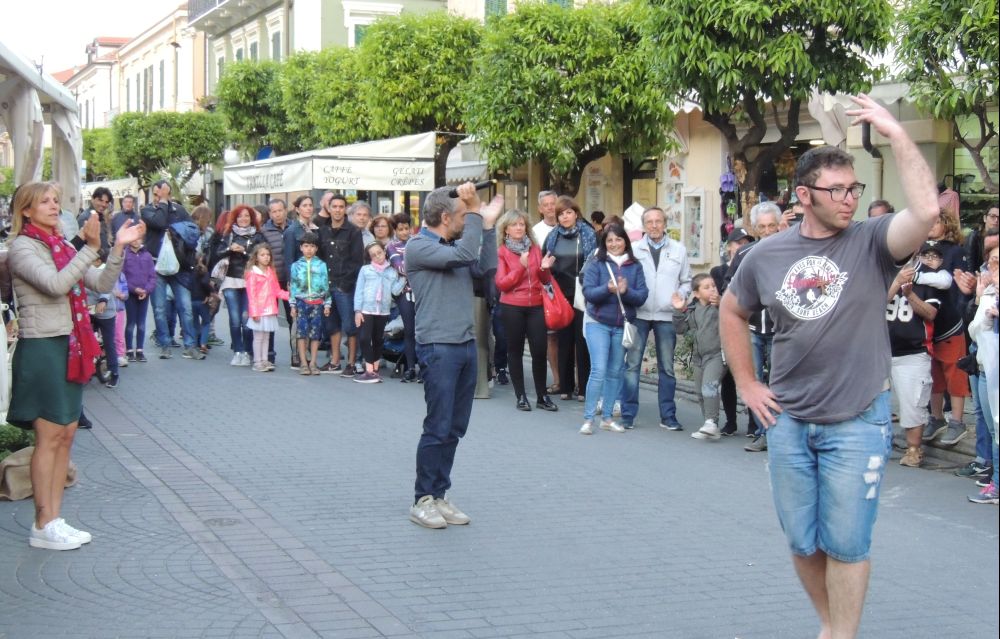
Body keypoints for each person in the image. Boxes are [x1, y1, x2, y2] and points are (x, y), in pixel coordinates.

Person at [721, 94, 939, 639]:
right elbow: (731, 308)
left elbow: (928, 212)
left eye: (854, 189)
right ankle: (830, 623)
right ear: (804, 194)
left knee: (846, 543)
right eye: (837, 190)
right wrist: (747, 382)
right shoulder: (764, 256)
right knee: (803, 540)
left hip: (857, 420)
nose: (848, 199)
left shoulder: (870, 243)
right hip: (788, 421)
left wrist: (896, 132)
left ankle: (841, 633)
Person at [7, 181, 145, 550]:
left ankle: (53, 518)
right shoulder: (21, 247)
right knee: (49, 437)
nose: (54, 206)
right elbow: (55, 285)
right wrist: (89, 248)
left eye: (56, 200)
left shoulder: (61, 245)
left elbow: (99, 281)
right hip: (43, 347)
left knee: (65, 434)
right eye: (45, 202)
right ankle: (43, 521)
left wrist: (115, 248)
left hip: (68, 345)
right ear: (26, 210)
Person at [406, 183, 502, 529]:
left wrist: (487, 227)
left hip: (464, 344)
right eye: (463, 216)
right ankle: (423, 499)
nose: (468, 220)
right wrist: (477, 209)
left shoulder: (455, 247)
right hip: (438, 346)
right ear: (446, 217)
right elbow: (465, 256)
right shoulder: (418, 247)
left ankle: (440, 493)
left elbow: (486, 268)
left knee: (455, 427)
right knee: (438, 425)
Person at [619, 206, 691, 430]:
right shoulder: (633, 249)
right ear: (643, 226)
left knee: (667, 368)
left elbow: (687, 280)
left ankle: (668, 415)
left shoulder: (678, 250)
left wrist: (682, 294)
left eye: (658, 221)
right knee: (632, 365)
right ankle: (628, 414)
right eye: (649, 222)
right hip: (639, 313)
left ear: (665, 223)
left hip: (666, 314)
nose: (654, 225)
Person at [578, 224, 648, 435]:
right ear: (604, 243)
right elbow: (588, 293)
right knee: (598, 369)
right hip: (597, 322)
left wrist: (625, 292)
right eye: (610, 240)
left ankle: (607, 417)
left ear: (625, 241)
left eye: (618, 239)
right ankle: (589, 418)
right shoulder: (596, 263)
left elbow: (641, 296)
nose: (614, 244)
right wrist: (606, 289)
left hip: (622, 325)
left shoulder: (634, 266)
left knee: (615, 372)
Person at [725, 201, 783, 450]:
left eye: (772, 225)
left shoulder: (791, 250)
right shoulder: (744, 254)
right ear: (755, 229)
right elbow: (730, 288)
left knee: (781, 383)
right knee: (756, 381)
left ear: (780, 225)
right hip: (752, 329)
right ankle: (763, 432)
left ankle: (782, 434)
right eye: (763, 226)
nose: (768, 231)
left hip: (781, 330)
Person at [495, 209, 558, 412]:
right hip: (512, 306)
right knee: (515, 351)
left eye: (522, 224)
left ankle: (542, 396)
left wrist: (546, 268)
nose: (519, 228)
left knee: (539, 350)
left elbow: (545, 280)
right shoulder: (502, 252)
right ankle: (521, 396)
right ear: (506, 230)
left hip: (536, 305)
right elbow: (502, 284)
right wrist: (521, 267)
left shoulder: (535, 249)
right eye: (514, 225)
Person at [886, 244, 941, 467]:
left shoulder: (930, 276)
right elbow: (871, 305)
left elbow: (931, 313)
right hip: (878, 350)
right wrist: (897, 283)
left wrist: (910, 295)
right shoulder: (883, 271)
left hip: (914, 351)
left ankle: (913, 450)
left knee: (913, 403)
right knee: (869, 402)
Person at [921, 211, 971, 445]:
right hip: (927, 323)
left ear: (947, 224)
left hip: (950, 322)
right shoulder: (920, 248)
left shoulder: (955, 251)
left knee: (955, 374)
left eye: (937, 221)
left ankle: (957, 422)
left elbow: (954, 284)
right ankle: (936, 417)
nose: (931, 226)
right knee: (934, 376)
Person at [544, 196, 596, 402]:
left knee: (582, 340)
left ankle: (583, 388)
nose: (565, 217)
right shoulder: (552, 236)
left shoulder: (588, 234)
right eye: (561, 214)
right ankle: (565, 386)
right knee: (563, 339)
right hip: (560, 293)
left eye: (568, 212)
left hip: (583, 292)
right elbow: (545, 262)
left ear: (576, 213)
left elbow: (594, 259)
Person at [141, 180, 200, 360]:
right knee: (159, 308)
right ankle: (165, 344)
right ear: (154, 194)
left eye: (166, 193)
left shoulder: (179, 210)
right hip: (156, 265)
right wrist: (164, 204)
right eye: (160, 193)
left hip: (179, 267)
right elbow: (159, 222)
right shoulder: (147, 210)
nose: (162, 196)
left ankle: (190, 346)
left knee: (186, 307)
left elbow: (192, 230)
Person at [673, 274, 726, 440]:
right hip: (698, 357)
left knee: (709, 386)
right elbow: (680, 329)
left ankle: (711, 422)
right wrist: (679, 310)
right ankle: (709, 426)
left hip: (718, 354)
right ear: (696, 294)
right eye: (706, 287)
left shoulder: (719, 306)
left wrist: (722, 302)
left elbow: (733, 312)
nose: (712, 289)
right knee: (700, 392)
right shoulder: (693, 310)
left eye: (713, 285)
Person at [316, 193, 364, 375]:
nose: (337, 210)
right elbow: (319, 259)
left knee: (350, 326)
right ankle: (334, 361)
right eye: (334, 206)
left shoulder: (353, 231)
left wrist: (345, 284)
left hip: (345, 286)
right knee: (331, 325)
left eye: (340, 207)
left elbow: (357, 262)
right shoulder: (322, 231)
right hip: (326, 286)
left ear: (345, 210)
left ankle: (351, 363)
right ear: (328, 208)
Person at [711, 227, 753, 435]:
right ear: (729, 247)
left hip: (751, 326)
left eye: (747, 243)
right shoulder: (718, 272)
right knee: (728, 375)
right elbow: (714, 297)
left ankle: (755, 425)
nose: (742, 247)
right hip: (728, 327)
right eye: (738, 243)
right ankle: (730, 421)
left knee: (751, 375)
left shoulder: (755, 266)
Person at [966, 244, 999, 504]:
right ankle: (995, 482)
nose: (994, 268)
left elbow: (979, 328)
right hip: (985, 367)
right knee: (993, 427)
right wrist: (979, 299)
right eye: (992, 262)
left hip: (993, 370)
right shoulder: (988, 292)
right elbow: (974, 329)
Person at [215, 204, 265, 367]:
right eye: (240, 216)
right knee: (235, 319)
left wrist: (243, 251)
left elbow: (262, 257)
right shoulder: (228, 234)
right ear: (235, 218)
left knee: (246, 320)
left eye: (247, 216)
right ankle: (238, 351)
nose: (243, 219)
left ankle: (248, 351)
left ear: (252, 219)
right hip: (231, 281)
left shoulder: (258, 236)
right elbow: (217, 254)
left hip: (250, 281)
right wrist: (230, 249)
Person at [353, 242, 404, 383]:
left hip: (383, 310)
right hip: (366, 309)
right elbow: (359, 291)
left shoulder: (392, 271)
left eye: (379, 253)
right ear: (369, 257)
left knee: (378, 340)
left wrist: (404, 278)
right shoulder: (365, 270)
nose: (377, 256)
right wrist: (357, 310)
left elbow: (395, 291)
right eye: (373, 255)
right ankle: (369, 371)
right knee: (364, 338)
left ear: (384, 252)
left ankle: (374, 370)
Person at [289, 232, 331, 375]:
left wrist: (327, 304)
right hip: (301, 302)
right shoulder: (295, 266)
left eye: (312, 246)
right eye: (306, 246)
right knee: (301, 333)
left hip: (317, 303)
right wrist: (292, 305)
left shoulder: (321, 265)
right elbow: (293, 287)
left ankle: (313, 362)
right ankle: (303, 362)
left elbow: (326, 285)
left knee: (315, 334)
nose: (309, 249)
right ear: (301, 247)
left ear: (316, 249)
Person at [532, 190, 561, 394]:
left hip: (569, 287)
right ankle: (558, 379)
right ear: (540, 209)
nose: (551, 207)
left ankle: (575, 379)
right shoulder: (536, 232)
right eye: (547, 204)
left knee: (572, 337)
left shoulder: (569, 224)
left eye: (554, 203)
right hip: (547, 288)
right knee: (551, 336)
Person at [283, 194, 316, 369]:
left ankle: (308, 352)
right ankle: (296, 353)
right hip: (299, 280)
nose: (308, 208)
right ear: (297, 209)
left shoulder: (315, 229)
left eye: (310, 205)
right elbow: (288, 259)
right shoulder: (291, 231)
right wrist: (291, 281)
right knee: (297, 319)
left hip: (315, 280)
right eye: (304, 205)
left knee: (312, 317)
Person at [245, 244, 289, 372]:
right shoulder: (253, 273)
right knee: (258, 337)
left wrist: (290, 296)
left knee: (266, 336)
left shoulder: (271, 272)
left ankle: (264, 359)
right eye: (262, 255)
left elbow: (277, 290)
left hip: (270, 310)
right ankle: (257, 361)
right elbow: (251, 295)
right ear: (256, 257)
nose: (266, 257)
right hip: (259, 311)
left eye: (268, 255)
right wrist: (254, 312)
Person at [386, 213, 418, 382]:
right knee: (410, 330)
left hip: (422, 291)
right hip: (405, 292)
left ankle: (423, 366)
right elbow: (401, 267)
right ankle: (411, 366)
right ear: (395, 230)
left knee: (423, 331)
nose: (405, 232)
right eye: (401, 229)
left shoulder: (417, 242)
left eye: (407, 228)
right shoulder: (391, 246)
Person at [261, 198, 291, 365]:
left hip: (291, 280)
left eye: (280, 210)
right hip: (272, 280)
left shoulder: (294, 227)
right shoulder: (265, 231)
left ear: (285, 210)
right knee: (270, 317)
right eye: (274, 211)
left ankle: (298, 355)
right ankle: (269, 356)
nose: (277, 214)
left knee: (293, 317)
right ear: (270, 213)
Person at [85, 257, 121, 388]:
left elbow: (107, 288)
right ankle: (88, 369)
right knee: (86, 340)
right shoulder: (83, 270)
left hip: (106, 313)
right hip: (89, 312)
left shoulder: (104, 271)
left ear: (98, 261)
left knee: (108, 342)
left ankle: (114, 372)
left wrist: (103, 301)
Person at [122, 237, 156, 362]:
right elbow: (123, 276)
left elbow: (152, 276)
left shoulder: (147, 256)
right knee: (130, 323)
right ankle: (129, 349)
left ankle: (140, 350)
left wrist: (146, 290)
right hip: (131, 294)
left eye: (138, 239)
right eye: (133, 239)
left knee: (141, 323)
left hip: (144, 294)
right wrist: (133, 289)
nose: (136, 241)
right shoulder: (125, 255)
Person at [77, 187, 114, 259]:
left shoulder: (101, 216)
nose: (103, 204)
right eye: (100, 200)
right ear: (92, 199)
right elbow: (81, 245)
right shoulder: (85, 217)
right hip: (93, 264)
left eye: (106, 202)